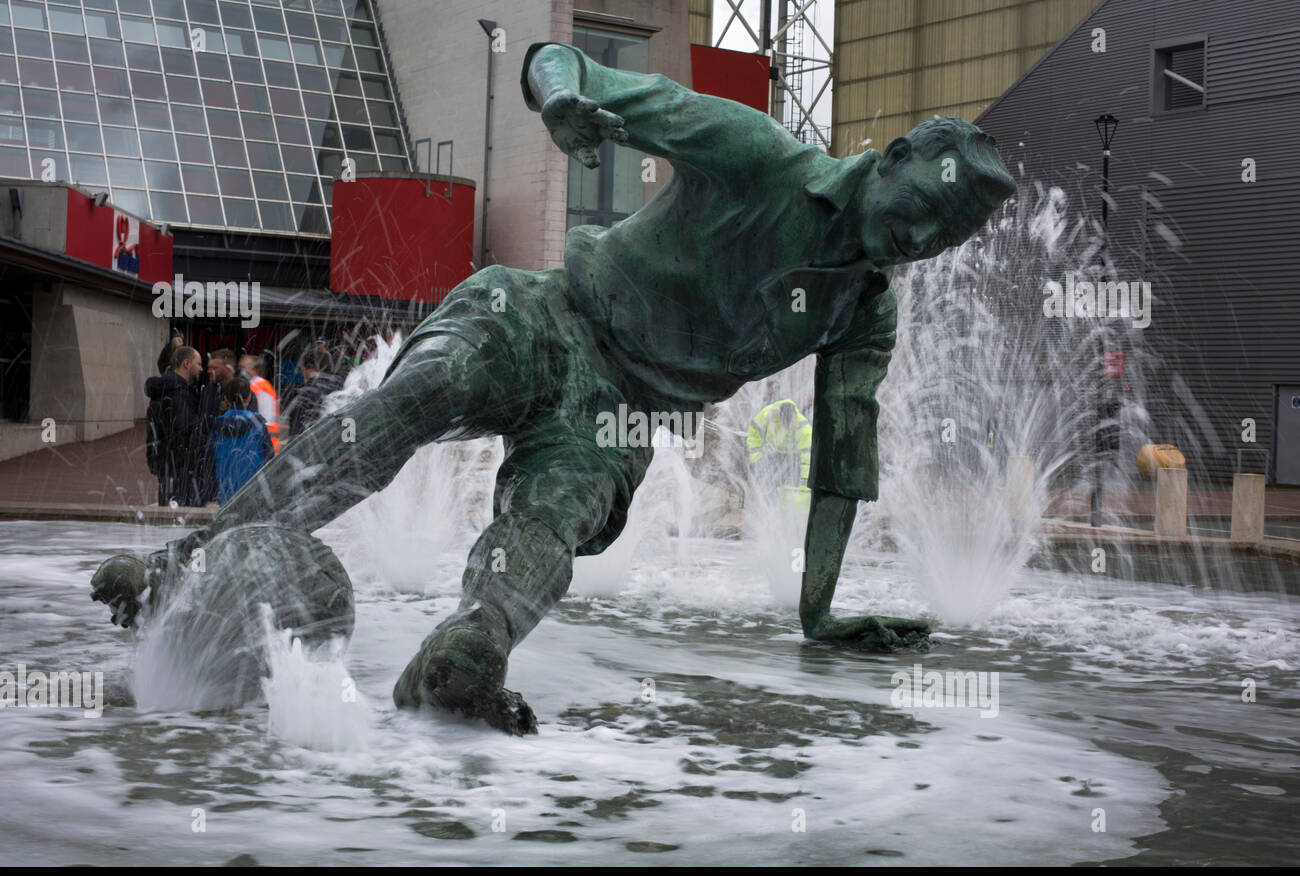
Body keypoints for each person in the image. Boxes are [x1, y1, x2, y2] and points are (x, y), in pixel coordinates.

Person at [98, 41, 1016, 734]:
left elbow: (842, 469)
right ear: (895, 159)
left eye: (946, 239)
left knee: (554, 519)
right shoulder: (757, 155)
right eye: (926, 210)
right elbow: (556, 59)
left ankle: (467, 651)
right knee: (406, 406)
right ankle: (181, 574)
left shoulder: (864, 313)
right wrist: (565, 100)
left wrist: (819, 616)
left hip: (619, 409)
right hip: (542, 314)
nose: (922, 240)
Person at [144, 345, 203, 506]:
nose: (201, 369)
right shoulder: (179, 394)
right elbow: (183, 433)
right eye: (198, 364)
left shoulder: (164, 390)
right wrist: (190, 464)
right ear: (186, 364)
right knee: (179, 515)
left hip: (166, 465)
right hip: (178, 468)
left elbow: (154, 430)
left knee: (169, 511)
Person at [212, 377, 274, 504]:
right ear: (249, 398)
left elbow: (208, 459)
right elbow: (270, 456)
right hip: (253, 489)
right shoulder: (258, 424)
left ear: (227, 399)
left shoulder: (218, 425)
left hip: (226, 489)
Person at [194, 349, 237, 503]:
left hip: (231, 460)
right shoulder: (208, 391)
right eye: (208, 367)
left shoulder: (239, 390)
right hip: (210, 460)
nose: (208, 371)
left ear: (227, 368)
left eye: (214, 367)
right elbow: (202, 423)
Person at [747, 398, 813, 494]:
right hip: (771, 454)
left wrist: (805, 479)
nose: (788, 426)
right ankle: (771, 503)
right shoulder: (767, 415)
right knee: (769, 481)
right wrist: (756, 458)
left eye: (790, 423)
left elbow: (807, 455)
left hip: (794, 457)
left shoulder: (803, 427)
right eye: (785, 423)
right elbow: (754, 433)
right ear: (780, 417)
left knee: (793, 482)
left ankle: (790, 500)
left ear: (795, 417)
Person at [285, 351, 345, 436]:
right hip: (332, 438)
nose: (301, 370)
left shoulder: (303, 392)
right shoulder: (335, 385)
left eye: (301, 367)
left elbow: (296, 429)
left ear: (308, 366)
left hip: (313, 441)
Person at [238, 353, 281, 454]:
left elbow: (265, 419)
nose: (241, 371)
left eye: (244, 367)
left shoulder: (259, 387)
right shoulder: (256, 385)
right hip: (264, 444)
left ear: (255, 369)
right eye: (240, 367)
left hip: (264, 446)